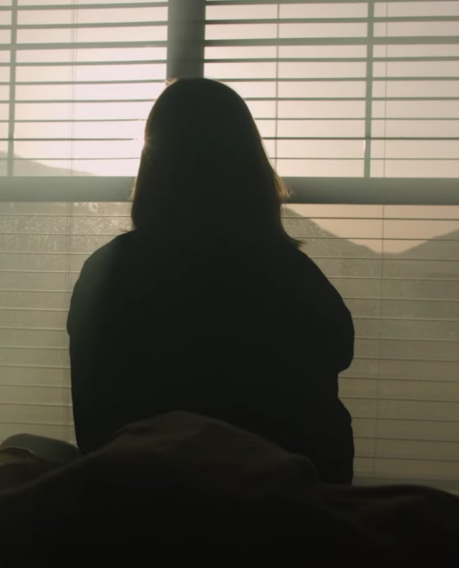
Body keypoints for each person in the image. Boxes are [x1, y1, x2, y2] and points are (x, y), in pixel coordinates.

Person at [66, 78, 356, 484]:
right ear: (251, 167)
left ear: (153, 166)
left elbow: (94, 423)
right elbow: (334, 363)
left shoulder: (108, 272)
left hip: (142, 499)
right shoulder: (291, 274)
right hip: (283, 504)